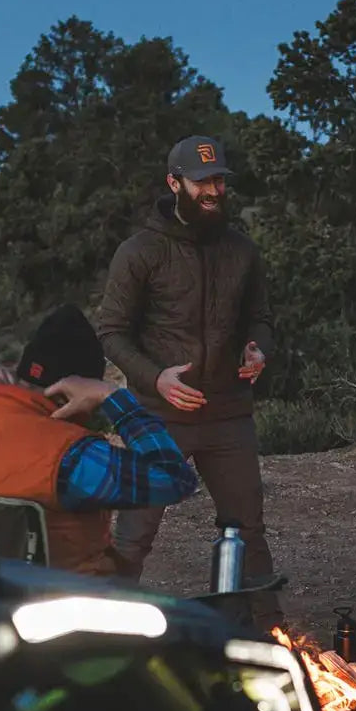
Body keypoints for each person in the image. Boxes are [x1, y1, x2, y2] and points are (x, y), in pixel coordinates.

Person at [95, 134, 284, 631]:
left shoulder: (242, 251)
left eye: (220, 180)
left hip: (228, 415)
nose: (214, 191)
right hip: (159, 418)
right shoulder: (140, 252)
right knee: (134, 533)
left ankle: (267, 631)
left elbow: (261, 319)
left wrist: (258, 348)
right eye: (203, 182)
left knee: (248, 529)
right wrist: (155, 378)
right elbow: (111, 333)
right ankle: (106, 631)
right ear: (174, 182)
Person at [0, 303, 198, 577]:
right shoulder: (71, 458)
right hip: (61, 607)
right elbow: (173, 478)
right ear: (74, 395)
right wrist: (113, 397)